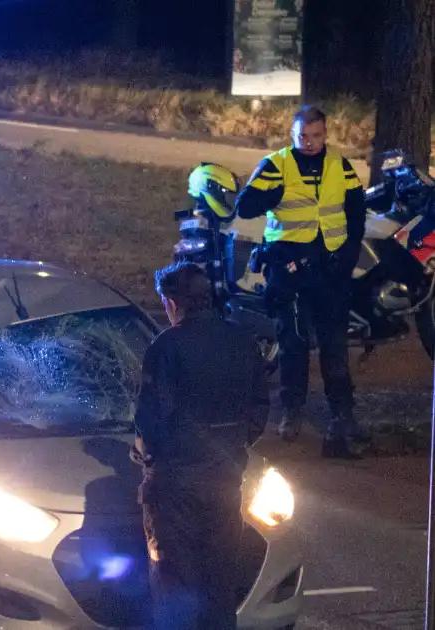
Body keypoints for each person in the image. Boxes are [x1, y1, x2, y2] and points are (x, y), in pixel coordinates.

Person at [133, 262, 270, 630]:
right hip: (225, 481)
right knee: (218, 587)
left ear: (173, 303)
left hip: (176, 486)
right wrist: (233, 443)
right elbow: (259, 405)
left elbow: (150, 419)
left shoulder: (166, 347)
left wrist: (153, 455)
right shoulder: (241, 342)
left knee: (175, 588)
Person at [235, 105, 367, 459]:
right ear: (292, 136)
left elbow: (356, 212)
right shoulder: (276, 164)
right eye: (302, 137)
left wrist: (350, 254)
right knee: (292, 344)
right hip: (289, 268)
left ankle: (342, 414)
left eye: (316, 136)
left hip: (330, 270)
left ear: (326, 134)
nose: (309, 143)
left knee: (334, 345)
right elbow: (245, 206)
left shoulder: (340, 165)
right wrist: (274, 194)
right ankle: (291, 413)